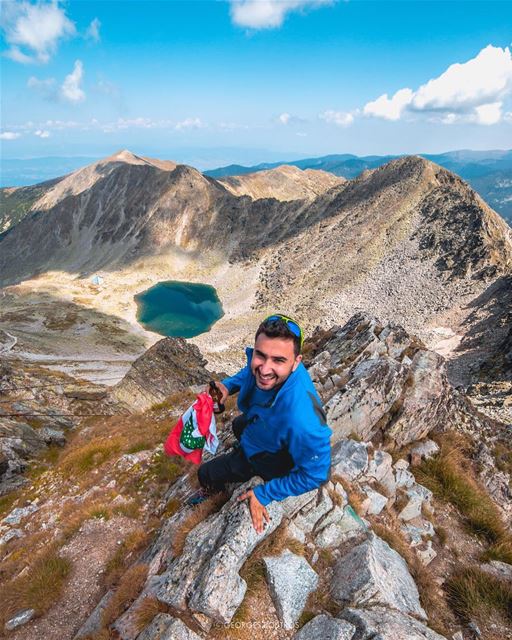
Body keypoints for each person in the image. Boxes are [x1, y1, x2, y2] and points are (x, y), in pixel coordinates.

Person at [191, 314, 332, 534]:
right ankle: (245, 449)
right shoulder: (279, 368)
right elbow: (250, 371)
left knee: (205, 474)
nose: (265, 369)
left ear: (296, 362)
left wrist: (264, 493)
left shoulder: (302, 418)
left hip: (269, 456)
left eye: (278, 360)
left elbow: (317, 474)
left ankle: (215, 488)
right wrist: (228, 386)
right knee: (238, 425)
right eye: (260, 355)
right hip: (265, 427)